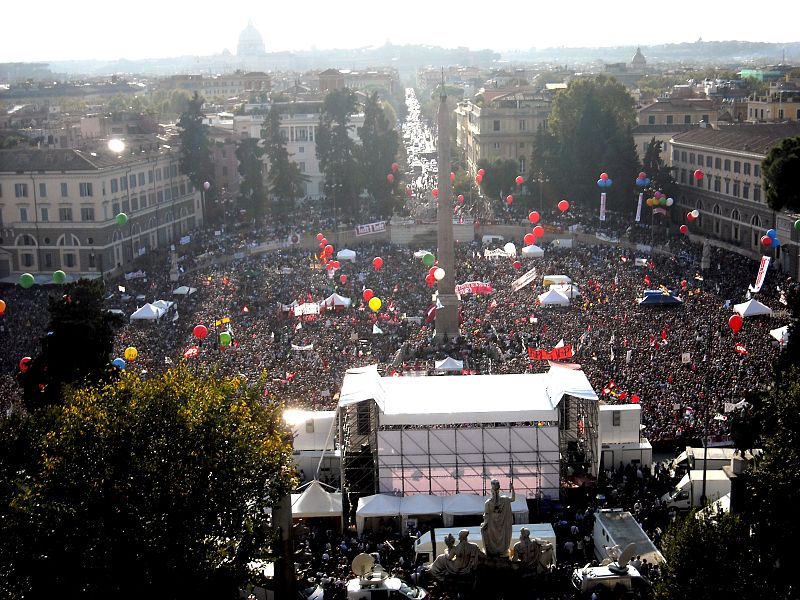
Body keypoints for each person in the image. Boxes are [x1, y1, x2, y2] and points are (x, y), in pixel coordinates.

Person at [481, 479, 515, 558]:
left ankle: (493, 551)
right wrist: (512, 488)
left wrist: (484, 525)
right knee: (502, 539)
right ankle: (502, 550)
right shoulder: (505, 499)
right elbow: (513, 498)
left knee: (487, 534)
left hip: (492, 527)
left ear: (491, 490)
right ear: (499, 490)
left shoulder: (488, 503)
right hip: (502, 526)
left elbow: (486, 517)